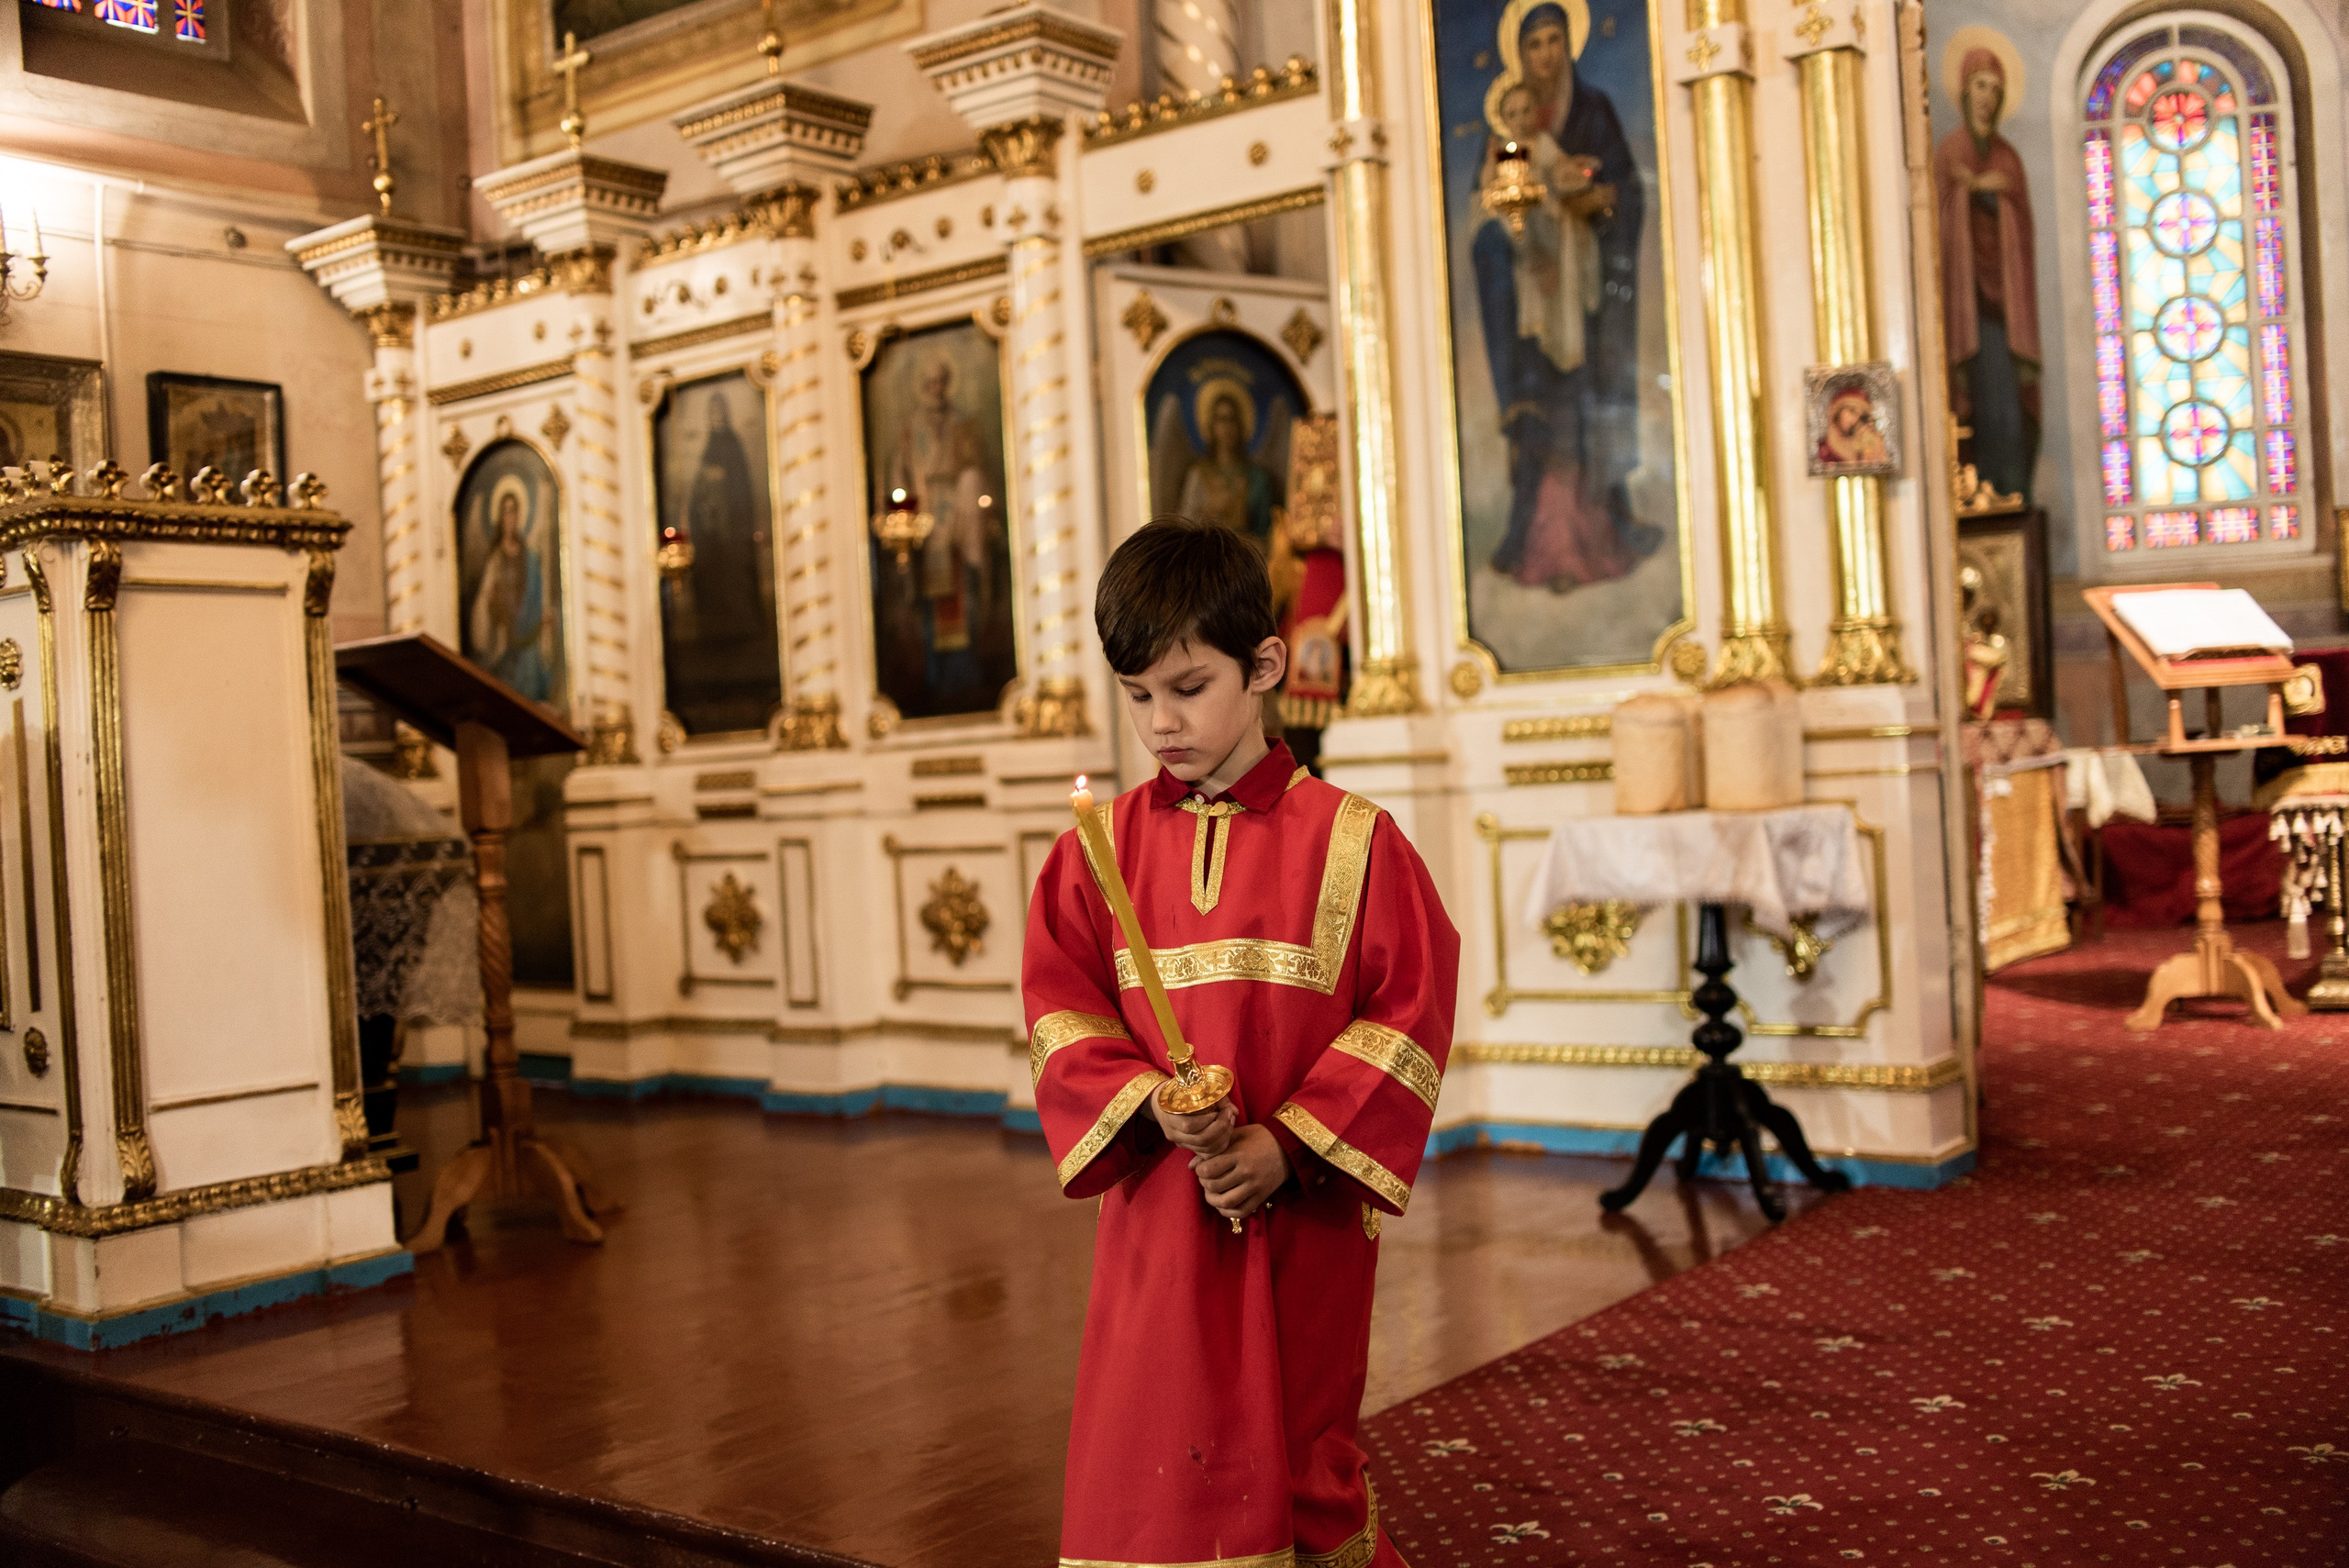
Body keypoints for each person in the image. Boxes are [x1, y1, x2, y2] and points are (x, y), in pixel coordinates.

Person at [1023, 517, 1459, 1566]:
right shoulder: (1099, 849)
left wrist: (1289, 1144)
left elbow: (1407, 1010)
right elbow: (1060, 1006)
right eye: (1136, 696)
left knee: (1299, 1439)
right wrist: (1149, 1103)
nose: (1160, 722)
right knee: (1155, 1446)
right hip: (1160, 1209)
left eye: (1186, 687)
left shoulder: (1353, 839)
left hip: (1300, 1218)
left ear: (1264, 665)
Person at [1470, 1, 1657, 588]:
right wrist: (1521, 242)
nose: (1545, 54)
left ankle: (1604, 530)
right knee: (1542, 414)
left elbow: (1622, 187)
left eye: (1554, 40)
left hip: (1588, 287)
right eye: (1534, 44)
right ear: (1519, 56)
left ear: (1569, 45)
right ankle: (1537, 536)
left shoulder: (1594, 109)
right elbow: (1493, 205)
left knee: (1587, 401)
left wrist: (1593, 202)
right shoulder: (1506, 131)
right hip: (1532, 297)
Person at [1934, 47, 2041, 501]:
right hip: (1966, 304)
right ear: (1964, 90)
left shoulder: (2008, 159)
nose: (1987, 98)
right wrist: (1967, 194)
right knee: (1977, 398)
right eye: (1980, 86)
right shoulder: (1950, 151)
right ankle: (1978, 488)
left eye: (1996, 90)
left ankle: (2011, 487)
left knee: (2007, 406)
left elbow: (2022, 228)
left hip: (2003, 307)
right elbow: (1939, 220)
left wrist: (1994, 197)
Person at [467, 477, 551, 703]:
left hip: (529, 645)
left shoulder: (531, 558)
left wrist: (543, 618)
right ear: (498, 517)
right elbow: (484, 603)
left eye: (514, 511)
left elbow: (540, 597)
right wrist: (489, 603)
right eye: (506, 512)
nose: (510, 517)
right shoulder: (495, 560)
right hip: (504, 642)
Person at [1174, 387, 1280, 547]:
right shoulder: (1198, 475)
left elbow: (1265, 533)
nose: (1227, 427)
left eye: (1232, 419)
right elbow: (1184, 527)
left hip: (1245, 555)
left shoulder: (1257, 477)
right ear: (1212, 425)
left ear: (1240, 424)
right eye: (1221, 419)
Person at [1817, 385, 1889, 469]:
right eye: (1852, 411)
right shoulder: (1822, 450)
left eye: (1861, 416)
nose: (1856, 419)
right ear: (1836, 411)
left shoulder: (1864, 447)